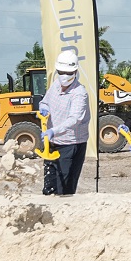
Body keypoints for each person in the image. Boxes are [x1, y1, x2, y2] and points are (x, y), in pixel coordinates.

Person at [38, 50, 91, 195]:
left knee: (64, 188)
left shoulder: (79, 93)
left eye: (69, 73)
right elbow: (45, 101)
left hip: (70, 144)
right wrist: (43, 107)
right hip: (53, 143)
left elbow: (74, 119)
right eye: (61, 72)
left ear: (75, 72)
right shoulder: (55, 85)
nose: (64, 76)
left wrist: (53, 130)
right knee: (49, 186)